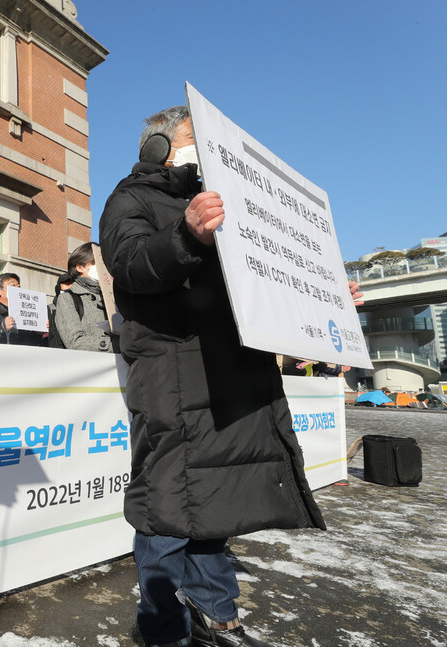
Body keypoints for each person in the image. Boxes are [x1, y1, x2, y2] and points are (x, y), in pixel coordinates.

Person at [99, 105, 363, 647]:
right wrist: (186, 235)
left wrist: (326, 302)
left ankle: (218, 612)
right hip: (172, 378)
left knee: (214, 505)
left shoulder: (233, 204)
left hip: (227, 373)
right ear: (159, 148)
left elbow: (266, 286)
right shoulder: (131, 198)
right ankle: (163, 626)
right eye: (195, 140)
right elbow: (131, 265)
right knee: (168, 507)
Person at [54, 242, 116, 353]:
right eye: (96, 263)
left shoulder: (113, 297)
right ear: (79, 267)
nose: (103, 267)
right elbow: (75, 342)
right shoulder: (68, 299)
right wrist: (117, 345)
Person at [0, 272, 46, 345]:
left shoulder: (23, 314)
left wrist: (39, 334)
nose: (18, 290)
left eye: (19, 287)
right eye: (13, 286)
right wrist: (1, 328)